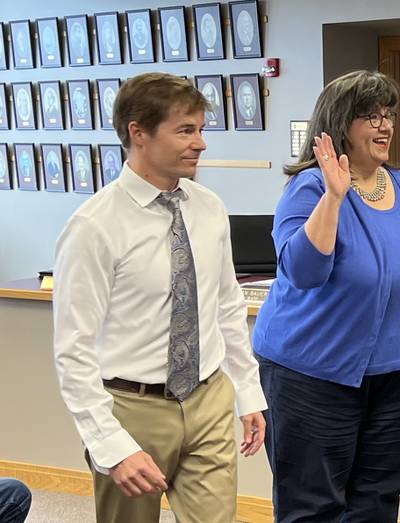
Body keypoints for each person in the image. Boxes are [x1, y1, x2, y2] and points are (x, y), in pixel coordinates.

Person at [53, 72, 267, 523]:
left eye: (201, 130)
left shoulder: (209, 207)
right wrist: (108, 444)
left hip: (207, 397)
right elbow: (73, 350)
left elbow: (226, 305)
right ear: (138, 133)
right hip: (131, 408)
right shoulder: (94, 226)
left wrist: (248, 391)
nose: (201, 144)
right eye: (185, 130)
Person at [251, 70, 400, 522]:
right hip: (313, 376)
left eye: (389, 115)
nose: (385, 125)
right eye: (370, 116)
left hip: (395, 379)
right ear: (340, 124)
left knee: (377, 500)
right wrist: (334, 199)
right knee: (314, 506)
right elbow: (302, 271)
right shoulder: (311, 187)